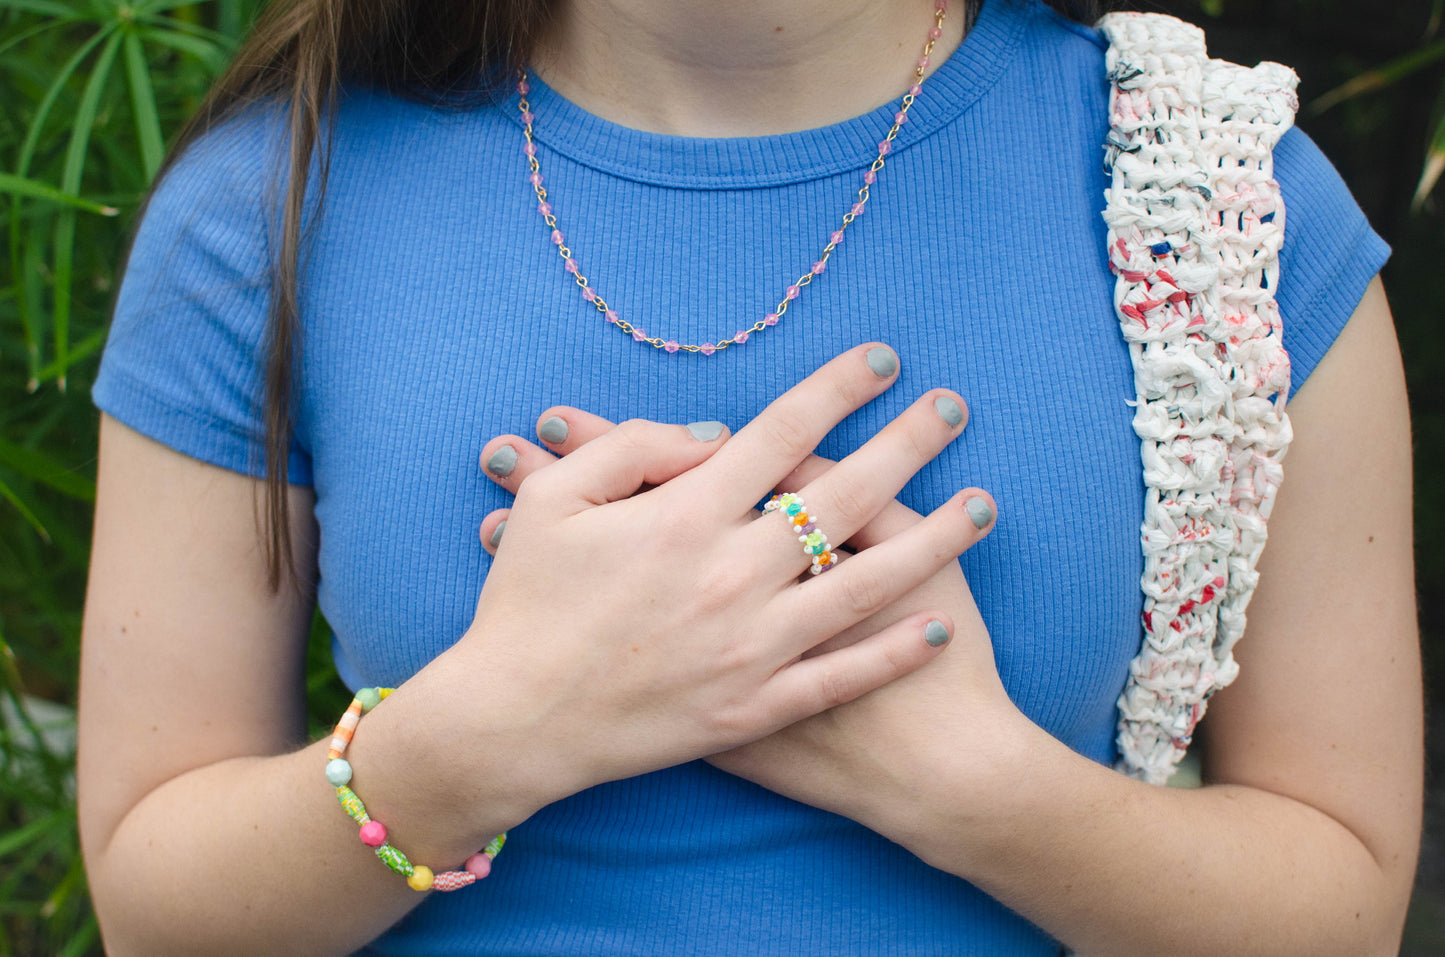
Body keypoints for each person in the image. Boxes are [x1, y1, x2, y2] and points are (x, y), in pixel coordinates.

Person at [76, 0, 1421, 953]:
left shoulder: (1227, 215)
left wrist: (975, 790)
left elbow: (1343, 907)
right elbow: (154, 906)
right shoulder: (268, 202)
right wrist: (492, 729)